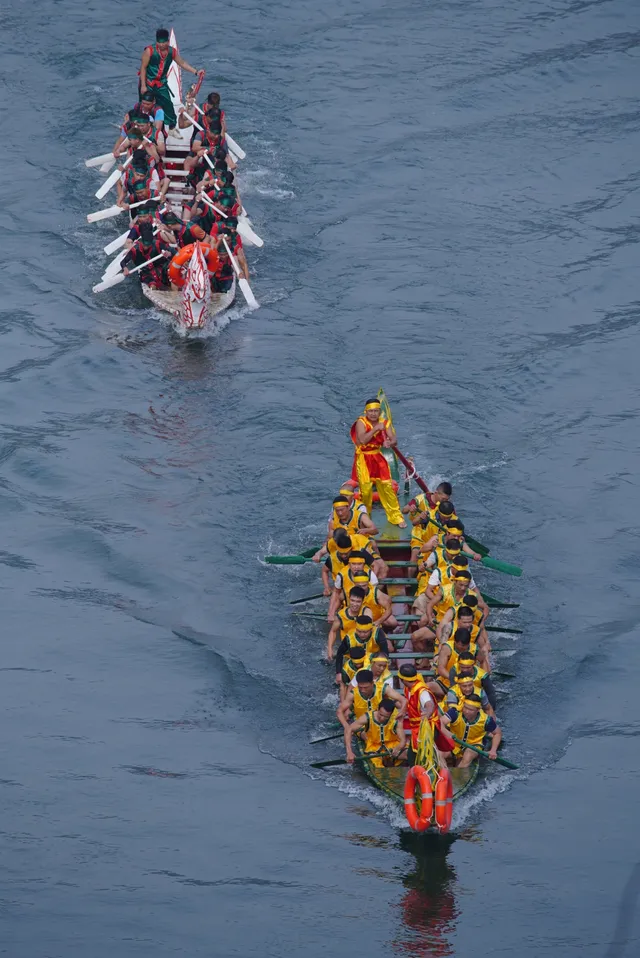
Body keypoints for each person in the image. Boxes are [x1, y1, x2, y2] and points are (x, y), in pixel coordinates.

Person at [350, 399, 405, 526]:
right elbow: (363, 440)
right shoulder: (361, 422)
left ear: (380, 411)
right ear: (366, 411)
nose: (373, 414)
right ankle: (365, 519)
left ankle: (396, 517)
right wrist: (376, 429)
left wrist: (389, 442)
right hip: (364, 458)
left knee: (387, 486)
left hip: (377, 456)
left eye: (376, 411)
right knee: (366, 490)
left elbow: (394, 439)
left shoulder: (385, 422)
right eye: (370, 411)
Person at [139, 28, 203, 131]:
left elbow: (182, 63)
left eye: (164, 42)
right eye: (159, 42)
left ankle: (172, 128)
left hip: (161, 83)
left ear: (168, 42)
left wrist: (195, 71)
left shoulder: (171, 52)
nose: (161, 45)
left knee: (168, 106)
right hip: (148, 82)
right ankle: (143, 125)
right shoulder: (149, 51)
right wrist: (143, 85)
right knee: (146, 104)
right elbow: (143, 68)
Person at [398, 664, 453, 763]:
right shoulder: (407, 688)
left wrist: (427, 715)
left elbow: (430, 704)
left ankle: (435, 774)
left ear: (403, 679)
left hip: (427, 728)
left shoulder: (421, 691)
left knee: (421, 755)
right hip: (417, 728)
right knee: (414, 755)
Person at [441, 694, 502, 767]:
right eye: (465, 707)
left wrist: (493, 750)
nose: (466, 711)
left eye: (470, 710)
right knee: (440, 753)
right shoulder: (455, 712)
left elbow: (497, 733)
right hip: (455, 743)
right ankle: (443, 774)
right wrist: (446, 732)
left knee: (468, 755)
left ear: (478, 710)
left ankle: (459, 775)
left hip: (473, 745)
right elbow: (440, 722)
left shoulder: (486, 720)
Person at [344, 698, 407, 767]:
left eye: (386, 717)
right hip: (373, 747)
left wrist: (398, 748)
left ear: (391, 714)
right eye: (380, 714)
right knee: (375, 765)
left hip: (392, 746)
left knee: (408, 754)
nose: (382, 718)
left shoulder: (396, 720)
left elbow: (403, 741)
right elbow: (348, 730)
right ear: (377, 709)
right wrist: (349, 752)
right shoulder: (367, 717)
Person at [121, 224, 172, 289]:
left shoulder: (157, 243)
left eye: (148, 245)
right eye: (144, 245)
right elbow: (123, 262)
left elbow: (171, 252)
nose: (146, 247)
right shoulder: (134, 249)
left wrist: (169, 254)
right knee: (152, 285)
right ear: (141, 241)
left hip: (160, 268)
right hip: (146, 273)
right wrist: (125, 269)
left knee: (169, 272)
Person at [326, 588, 367, 661]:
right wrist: (330, 650)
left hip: (364, 649)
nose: (354, 604)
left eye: (358, 601)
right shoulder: (340, 615)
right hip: (348, 650)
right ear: (348, 599)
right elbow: (333, 632)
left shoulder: (366, 612)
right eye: (352, 600)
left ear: (363, 601)